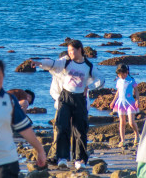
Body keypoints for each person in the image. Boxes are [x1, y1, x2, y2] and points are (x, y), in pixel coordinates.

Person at [33, 40, 104, 170]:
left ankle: (80, 159)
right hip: (65, 98)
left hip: (80, 100)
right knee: (62, 127)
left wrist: (89, 87)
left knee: (80, 130)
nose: (70, 53)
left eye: (72, 51)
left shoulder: (88, 65)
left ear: (80, 50)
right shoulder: (66, 62)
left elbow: (101, 79)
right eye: (69, 51)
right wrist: (40, 63)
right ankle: (62, 158)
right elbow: (53, 64)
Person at [109, 64, 140, 147]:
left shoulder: (131, 80)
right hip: (121, 103)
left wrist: (137, 100)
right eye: (119, 75)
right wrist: (113, 102)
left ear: (127, 72)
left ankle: (137, 134)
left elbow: (136, 91)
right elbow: (118, 92)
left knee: (131, 122)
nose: (121, 76)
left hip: (130, 103)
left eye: (122, 74)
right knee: (122, 122)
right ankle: (122, 140)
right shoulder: (119, 81)